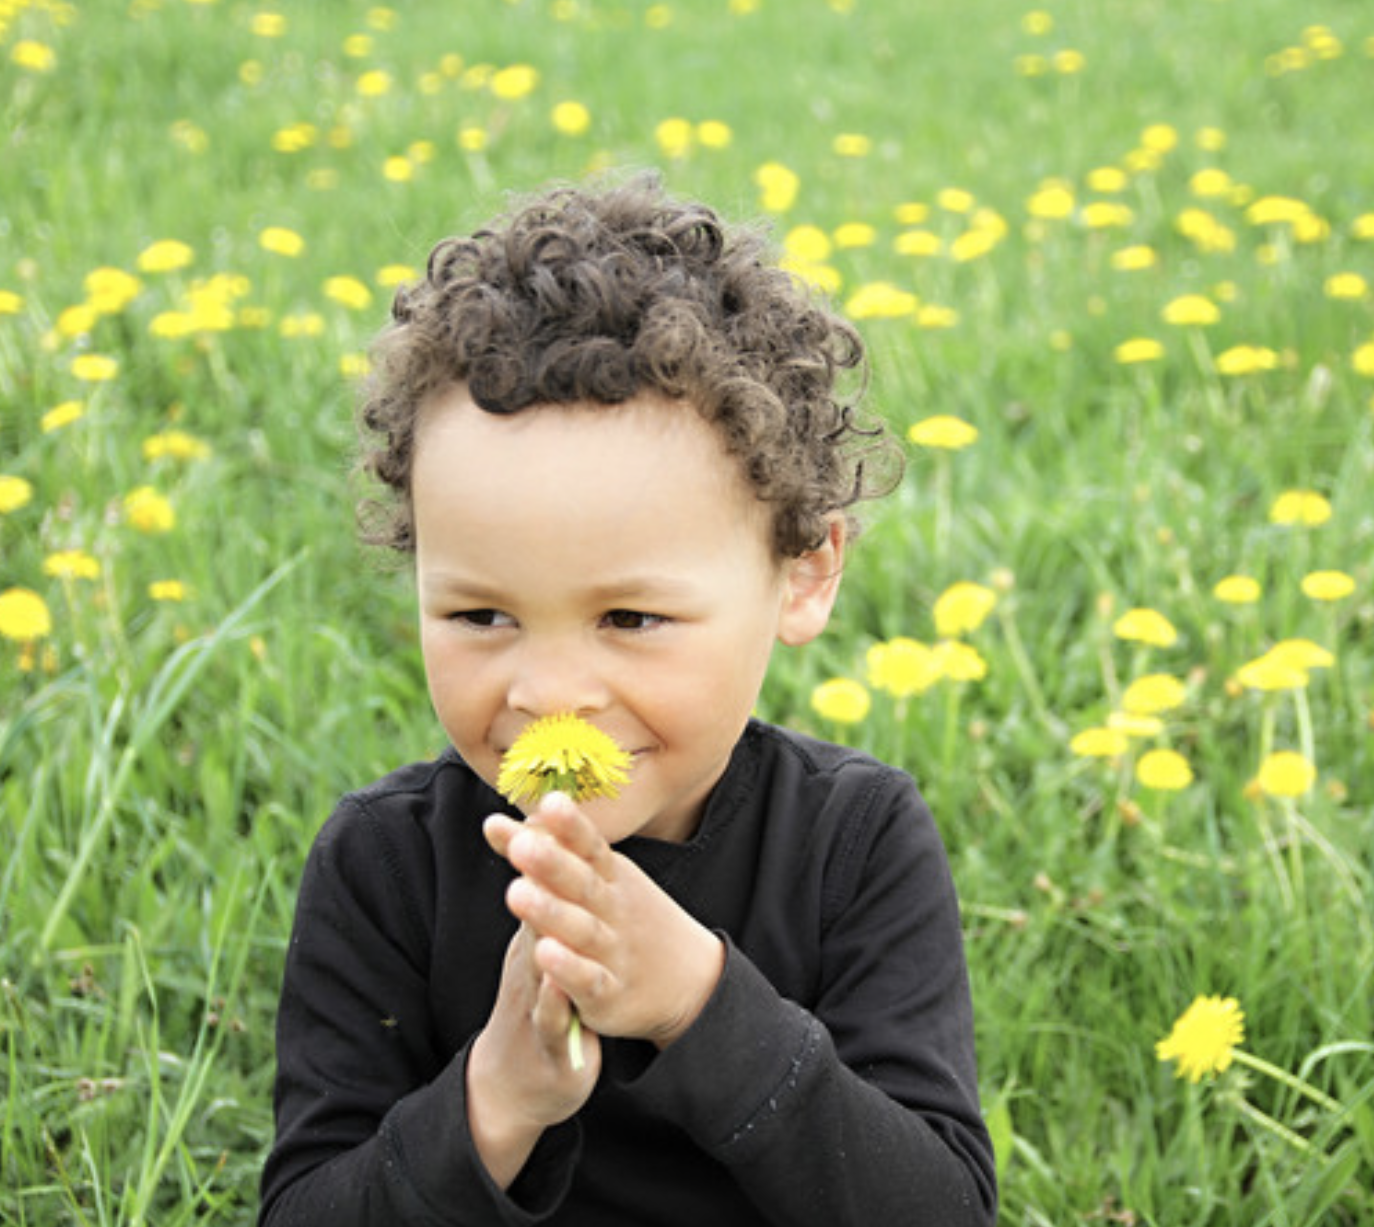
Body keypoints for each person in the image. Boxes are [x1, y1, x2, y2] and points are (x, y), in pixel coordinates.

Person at [258, 173, 996, 1227]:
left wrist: (701, 1003)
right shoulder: (383, 868)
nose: (550, 695)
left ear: (803, 572)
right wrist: (496, 1098)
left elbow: (942, 1213)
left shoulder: (853, 844)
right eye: (479, 616)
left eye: (631, 620)